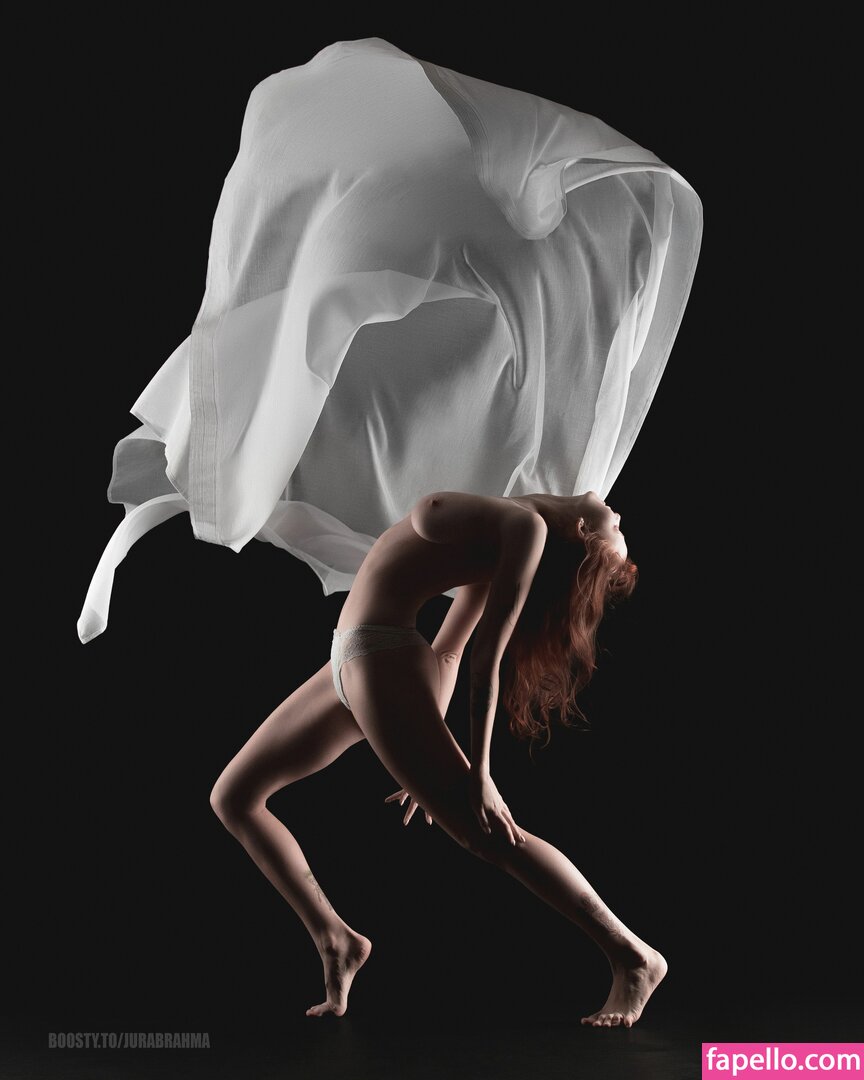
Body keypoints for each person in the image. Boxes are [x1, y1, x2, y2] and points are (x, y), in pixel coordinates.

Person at [208, 488, 667, 1026]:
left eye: (616, 534)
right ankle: (336, 939)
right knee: (234, 798)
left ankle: (633, 956)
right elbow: (447, 650)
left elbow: (482, 658)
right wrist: (422, 737)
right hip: (351, 660)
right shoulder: (513, 514)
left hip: (382, 660)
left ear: (583, 534)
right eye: (620, 536)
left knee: (486, 835)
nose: (620, 517)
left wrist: (479, 770)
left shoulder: (527, 531)